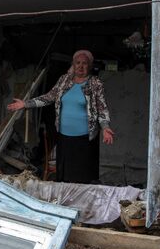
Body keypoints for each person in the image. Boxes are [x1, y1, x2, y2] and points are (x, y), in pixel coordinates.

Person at [7, 50, 114, 183]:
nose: (81, 66)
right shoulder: (64, 80)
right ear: (73, 65)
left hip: (85, 140)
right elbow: (49, 97)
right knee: (65, 175)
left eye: (84, 63)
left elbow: (101, 107)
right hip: (64, 137)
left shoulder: (95, 84)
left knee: (83, 176)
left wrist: (105, 127)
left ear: (90, 66)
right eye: (77, 63)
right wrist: (26, 104)